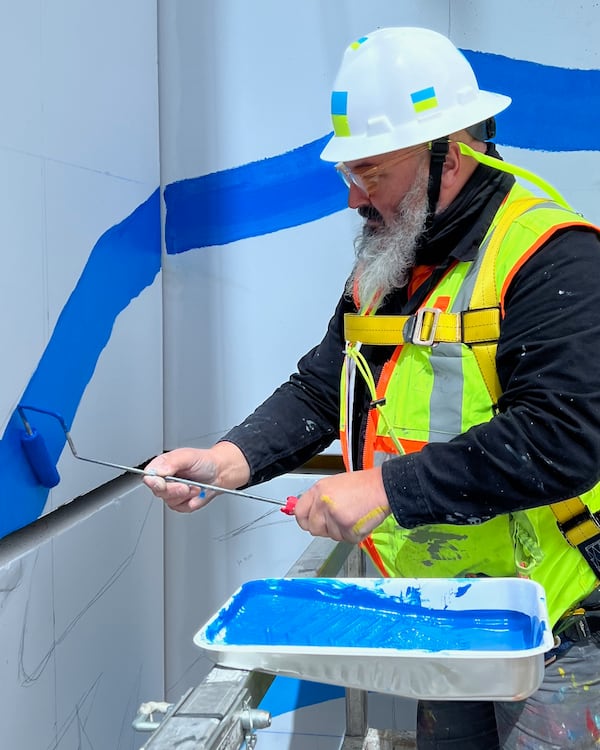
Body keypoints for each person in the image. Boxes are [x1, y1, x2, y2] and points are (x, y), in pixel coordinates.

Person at [144, 27, 600, 750]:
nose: (356, 197)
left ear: (451, 153)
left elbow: (562, 439)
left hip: (558, 628)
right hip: (438, 618)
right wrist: (228, 458)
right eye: (348, 175)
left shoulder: (550, 255)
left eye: (372, 173)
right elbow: (323, 388)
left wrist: (384, 488)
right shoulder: (389, 266)